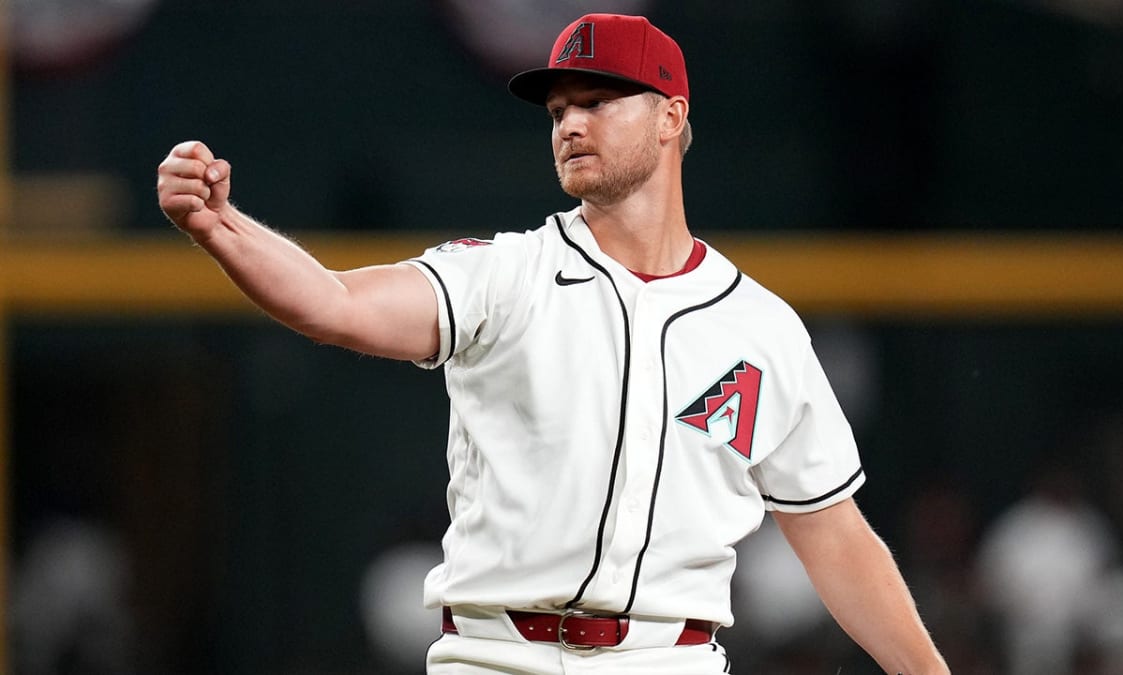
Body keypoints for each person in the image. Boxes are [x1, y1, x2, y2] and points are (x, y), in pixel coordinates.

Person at [156, 12, 948, 674]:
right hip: (498, 654)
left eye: (598, 100)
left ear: (672, 117)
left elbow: (837, 537)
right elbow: (332, 303)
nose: (570, 122)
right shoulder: (507, 276)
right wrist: (220, 227)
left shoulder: (760, 326)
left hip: (667, 658)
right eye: (559, 108)